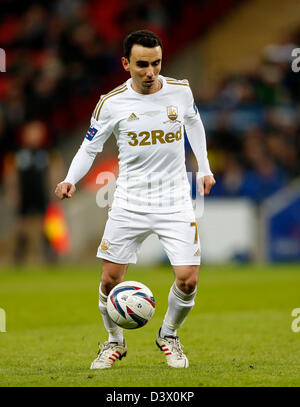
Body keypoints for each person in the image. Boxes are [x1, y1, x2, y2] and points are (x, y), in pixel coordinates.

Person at [55, 30, 215, 369]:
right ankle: (114, 342)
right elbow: (89, 147)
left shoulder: (181, 91)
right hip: (129, 200)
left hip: (174, 199)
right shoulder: (111, 103)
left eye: (156, 63)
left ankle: (169, 335)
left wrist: (204, 167)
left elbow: (195, 125)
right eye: (142, 64)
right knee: (110, 278)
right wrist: (71, 179)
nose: (150, 72)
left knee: (188, 277)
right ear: (126, 64)